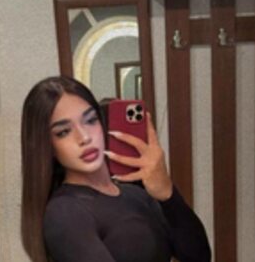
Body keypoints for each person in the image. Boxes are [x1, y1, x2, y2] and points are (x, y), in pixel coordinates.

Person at [21, 75, 211, 262]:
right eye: (63, 132)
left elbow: (199, 257)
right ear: (46, 146)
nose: (84, 137)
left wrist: (167, 194)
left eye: (90, 120)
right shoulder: (65, 212)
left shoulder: (137, 195)